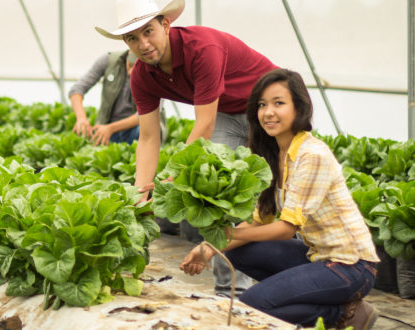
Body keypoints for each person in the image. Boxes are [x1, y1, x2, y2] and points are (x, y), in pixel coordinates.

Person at [95, 0, 277, 297]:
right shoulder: (142, 75)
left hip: (269, 109)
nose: (143, 44)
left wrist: (171, 179)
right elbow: (149, 137)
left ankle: (314, 275)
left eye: (148, 31)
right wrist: (141, 191)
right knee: (222, 195)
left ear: (165, 25)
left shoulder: (201, 49)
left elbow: (203, 125)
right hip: (228, 116)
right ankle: (230, 292)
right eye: (132, 38)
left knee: (280, 198)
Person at [180, 68, 380, 329]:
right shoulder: (273, 154)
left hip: (351, 266)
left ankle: (342, 312)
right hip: (316, 254)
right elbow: (259, 221)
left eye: (278, 103)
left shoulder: (312, 155)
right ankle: (311, 299)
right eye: (262, 105)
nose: (268, 112)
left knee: (251, 305)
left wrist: (218, 241)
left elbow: (286, 229)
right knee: (238, 252)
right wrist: (213, 246)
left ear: (299, 107)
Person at [69, 50, 167, 145]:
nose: (131, 72)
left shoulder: (156, 71)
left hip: (136, 130)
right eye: (130, 65)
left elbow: (149, 112)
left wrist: (111, 128)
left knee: (146, 129)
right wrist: (81, 118)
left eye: (138, 67)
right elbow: (77, 89)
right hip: (107, 128)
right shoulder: (109, 60)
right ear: (128, 55)